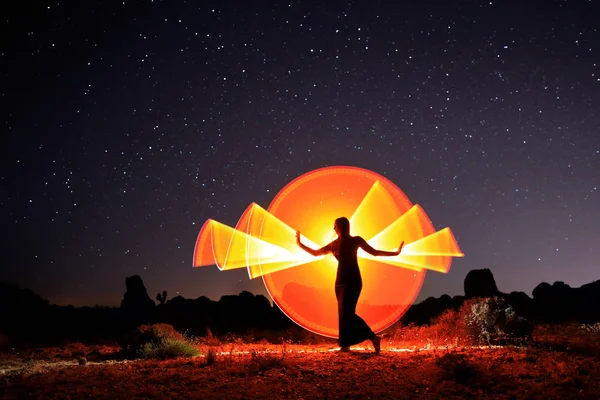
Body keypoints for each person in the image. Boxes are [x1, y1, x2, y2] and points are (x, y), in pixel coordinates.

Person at [296, 217, 403, 353]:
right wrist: (300, 244)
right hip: (339, 282)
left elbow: (375, 252)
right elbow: (316, 253)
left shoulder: (356, 240)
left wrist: (396, 253)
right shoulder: (334, 244)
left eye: (335, 226)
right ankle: (345, 345)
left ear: (341, 226)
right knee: (343, 313)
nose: (333, 229)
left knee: (348, 313)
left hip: (353, 280)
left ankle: (373, 337)